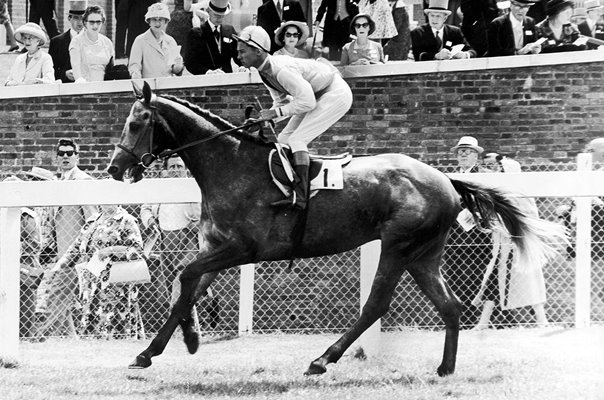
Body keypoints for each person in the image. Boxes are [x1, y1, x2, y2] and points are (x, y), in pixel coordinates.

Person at [235, 25, 353, 210]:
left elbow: (307, 102)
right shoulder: (264, 72)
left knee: (298, 139)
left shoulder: (280, 69)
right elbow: (282, 104)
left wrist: (273, 114)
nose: (239, 56)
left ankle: (301, 197)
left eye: (242, 51)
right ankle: (288, 188)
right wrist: (263, 120)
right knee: (283, 139)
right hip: (315, 95)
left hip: (334, 93)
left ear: (258, 51)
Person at [472, 152, 549, 329]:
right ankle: (483, 322)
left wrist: (508, 227)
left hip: (519, 244)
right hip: (502, 246)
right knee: (493, 280)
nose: (490, 170)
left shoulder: (518, 192)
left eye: (495, 167)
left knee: (530, 280)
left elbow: (527, 215)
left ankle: (542, 320)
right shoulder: (495, 190)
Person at [50, 203, 146, 338]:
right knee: (90, 318)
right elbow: (76, 246)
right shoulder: (92, 220)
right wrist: (58, 267)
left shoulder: (126, 220)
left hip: (116, 282)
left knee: (113, 323)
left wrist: (111, 250)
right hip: (91, 281)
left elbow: (137, 250)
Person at [36, 139, 98, 340]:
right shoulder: (58, 182)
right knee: (63, 297)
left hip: (77, 253)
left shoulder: (84, 181)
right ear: (56, 157)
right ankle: (72, 339)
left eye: (69, 153)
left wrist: (85, 251)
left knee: (57, 294)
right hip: (60, 251)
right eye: (61, 153)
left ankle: (41, 338)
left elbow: (92, 218)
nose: (65, 156)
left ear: (77, 156)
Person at [139, 155, 202, 321]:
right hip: (165, 239)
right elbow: (145, 208)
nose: (176, 170)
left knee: (180, 280)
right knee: (168, 285)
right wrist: (151, 221)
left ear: (185, 169)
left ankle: (175, 326)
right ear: (166, 171)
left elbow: (208, 212)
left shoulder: (194, 186)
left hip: (189, 239)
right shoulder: (161, 189)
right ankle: (187, 321)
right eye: (172, 167)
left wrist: (198, 224)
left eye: (179, 166)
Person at [444, 136, 493, 328]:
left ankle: (479, 320)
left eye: (468, 151)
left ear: (476, 155)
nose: (463, 154)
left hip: (479, 235)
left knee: (478, 276)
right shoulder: (449, 178)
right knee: (455, 276)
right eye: (460, 151)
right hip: (455, 236)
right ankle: (459, 321)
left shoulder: (485, 175)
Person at [3, 176, 43, 339]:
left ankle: (24, 336)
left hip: (23, 266)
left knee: (24, 303)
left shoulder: (26, 216)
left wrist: (10, 247)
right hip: (2, 263)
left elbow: (34, 243)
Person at [183, 0, 242, 75]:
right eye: (216, 15)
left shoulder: (229, 30)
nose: (219, 19)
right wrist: (207, 72)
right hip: (206, 80)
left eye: (222, 16)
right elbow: (190, 63)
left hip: (227, 79)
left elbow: (238, 55)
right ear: (208, 11)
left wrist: (242, 67)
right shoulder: (196, 33)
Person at [128, 3, 184, 79]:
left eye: (160, 20)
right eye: (154, 19)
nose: (157, 23)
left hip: (168, 86)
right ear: (149, 21)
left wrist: (178, 66)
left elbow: (175, 70)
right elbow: (134, 66)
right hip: (149, 86)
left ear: (166, 21)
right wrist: (137, 80)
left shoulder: (171, 41)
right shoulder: (140, 40)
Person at [410, 0, 476, 61]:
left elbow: (472, 52)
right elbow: (417, 55)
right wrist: (436, 56)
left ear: (445, 18)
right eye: (432, 15)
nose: (434, 19)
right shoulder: (417, 32)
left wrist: (464, 55)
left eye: (438, 16)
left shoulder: (455, 32)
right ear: (428, 16)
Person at [69, 5, 115, 83]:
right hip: (84, 88)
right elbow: (76, 69)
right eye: (91, 22)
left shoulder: (107, 42)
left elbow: (111, 70)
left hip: (105, 87)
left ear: (103, 22)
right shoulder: (76, 41)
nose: (95, 26)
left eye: (98, 22)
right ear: (85, 22)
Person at [49, 0, 87, 83]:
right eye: (76, 18)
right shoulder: (57, 42)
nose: (80, 22)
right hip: (64, 88)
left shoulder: (93, 40)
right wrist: (64, 74)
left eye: (83, 18)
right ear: (69, 18)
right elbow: (49, 70)